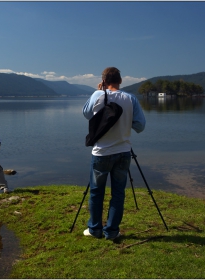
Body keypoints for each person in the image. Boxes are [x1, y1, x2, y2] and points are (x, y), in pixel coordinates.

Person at [82, 67, 146, 241]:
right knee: (118, 193)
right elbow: (140, 126)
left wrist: (99, 92)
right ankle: (111, 231)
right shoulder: (131, 98)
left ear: (103, 81)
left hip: (101, 153)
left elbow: (86, 114)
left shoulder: (97, 95)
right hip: (123, 152)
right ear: (121, 80)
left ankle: (95, 229)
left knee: (96, 192)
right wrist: (124, 120)